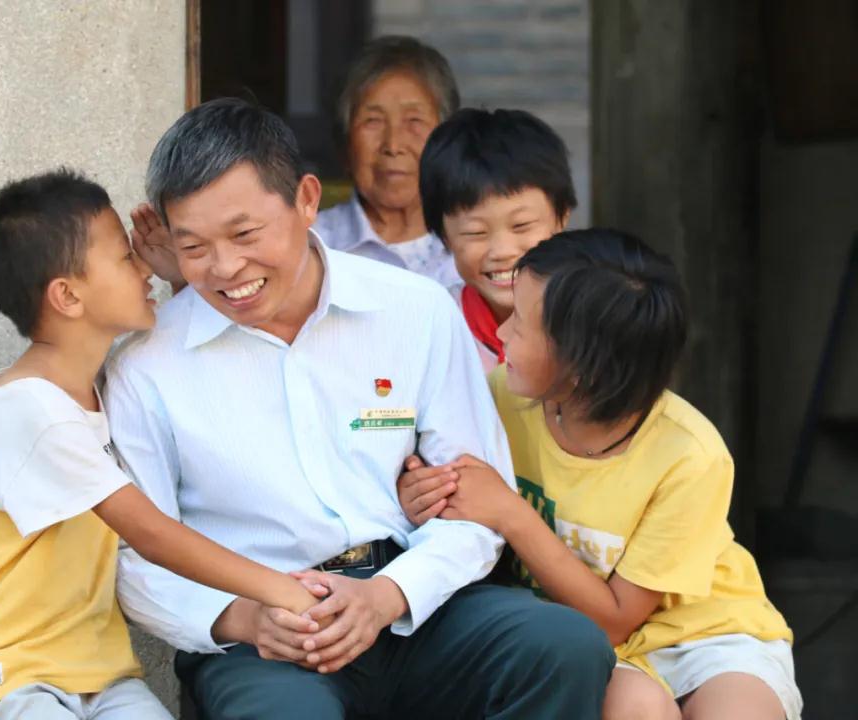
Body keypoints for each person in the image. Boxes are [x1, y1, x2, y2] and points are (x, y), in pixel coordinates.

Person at [105, 98, 614, 720]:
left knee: (564, 647)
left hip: (413, 601)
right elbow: (137, 560)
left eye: (245, 234)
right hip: (264, 636)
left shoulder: (415, 309)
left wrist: (389, 594)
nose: (226, 268)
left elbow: (477, 505)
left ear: (306, 200)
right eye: (193, 246)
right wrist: (246, 618)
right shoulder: (146, 367)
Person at [0, 169, 322, 720]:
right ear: (68, 296)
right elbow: (152, 534)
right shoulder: (31, 411)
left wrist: (182, 280)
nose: (143, 266)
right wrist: (284, 591)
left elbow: (193, 368)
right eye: (124, 257)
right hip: (7, 678)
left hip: (99, 675)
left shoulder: (93, 389)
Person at [398, 230, 802, 720]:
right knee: (636, 710)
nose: (501, 334)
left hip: (705, 634)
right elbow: (448, 488)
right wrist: (420, 494)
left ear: (583, 365)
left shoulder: (690, 455)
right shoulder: (501, 397)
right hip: (581, 640)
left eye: (520, 324)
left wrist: (511, 512)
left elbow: (616, 619)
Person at [128, 35, 462, 293]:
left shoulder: (475, 240)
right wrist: (184, 277)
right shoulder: (301, 237)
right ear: (345, 143)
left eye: (414, 121)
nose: (393, 145)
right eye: (372, 121)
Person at [418, 107, 575, 374]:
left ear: (562, 217)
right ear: (444, 236)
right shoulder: (429, 329)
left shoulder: (598, 318)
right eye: (476, 232)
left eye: (521, 225)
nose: (502, 251)